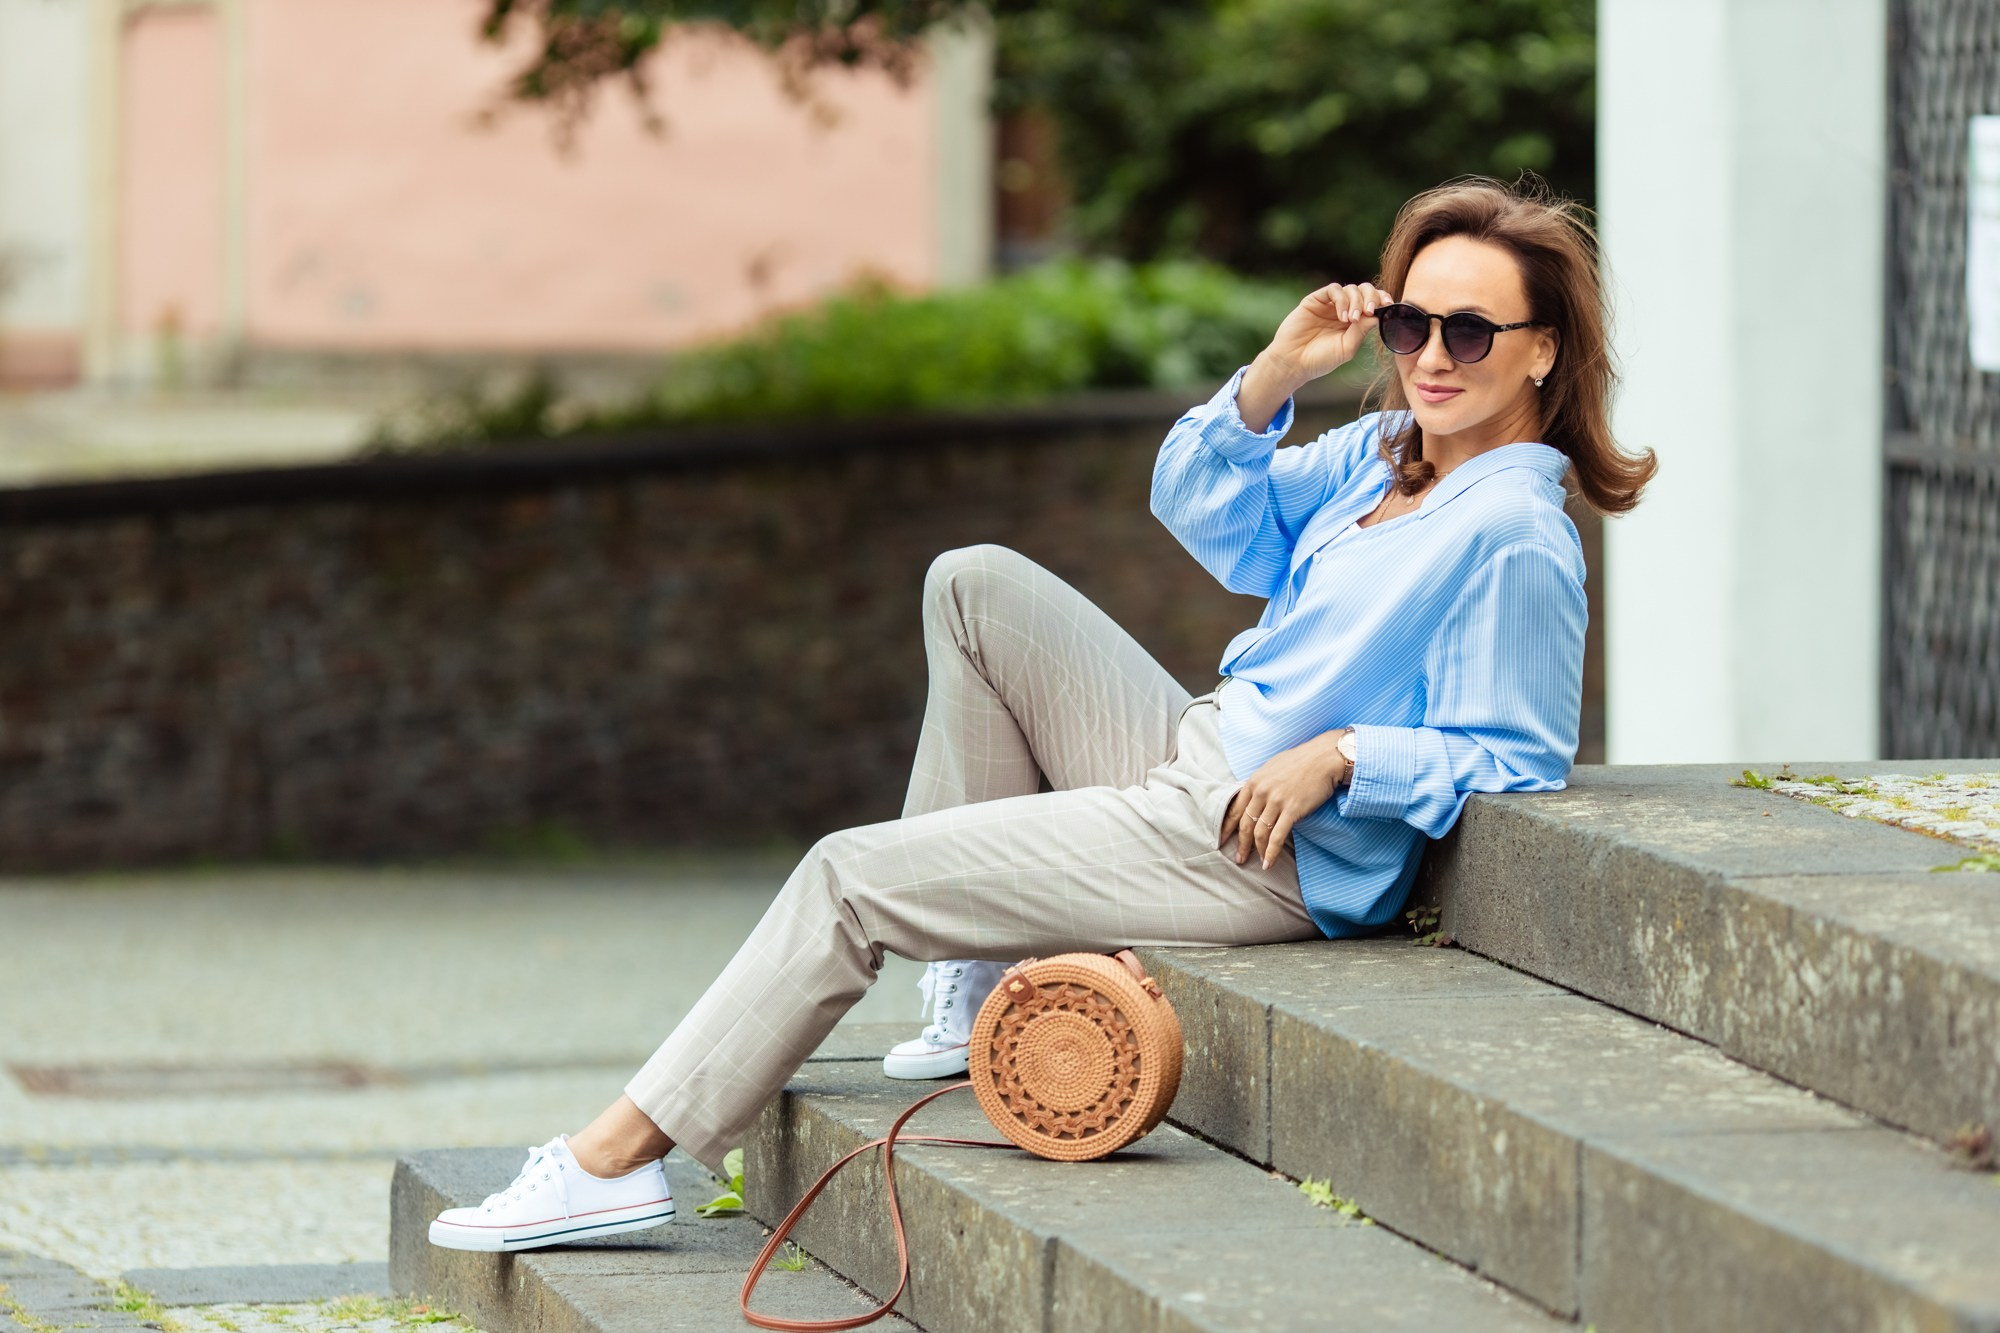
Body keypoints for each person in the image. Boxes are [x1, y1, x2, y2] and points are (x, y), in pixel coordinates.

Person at [427, 175, 1657, 1253]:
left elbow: (1518, 754)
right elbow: (1211, 519)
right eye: (1406, 321)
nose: (1430, 354)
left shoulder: (1512, 532)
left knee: (849, 878)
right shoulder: (1391, 447)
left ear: (1543, 351)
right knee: (973, 585)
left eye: (1467, 330)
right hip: (1201, 749)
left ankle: (615, 1161)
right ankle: (967, 985)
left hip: (1255, 849)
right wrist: (1279, 373)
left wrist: (1344, 755)